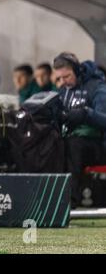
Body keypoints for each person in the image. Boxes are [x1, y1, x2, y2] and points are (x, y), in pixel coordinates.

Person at [53, 52, 106, 208]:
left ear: (76, 70)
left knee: (73, 144)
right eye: (59, 78)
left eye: (67, 76)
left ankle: (69, 203)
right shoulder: (64, 90)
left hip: (98, 145)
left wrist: (86, 114)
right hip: (72, 141)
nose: (63, 82)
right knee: (50, 143)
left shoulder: (97, 87)